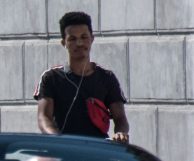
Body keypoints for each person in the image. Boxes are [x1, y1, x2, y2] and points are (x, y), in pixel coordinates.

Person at [36, 11, 128, 143]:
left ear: (92, 39)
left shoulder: (107, 77)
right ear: (64, 43)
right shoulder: (51, 77)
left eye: (84, 37)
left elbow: (120, 117)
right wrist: (56, 140)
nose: (79, 43)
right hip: (64, 152)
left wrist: (120, 133)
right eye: (72, 39)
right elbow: (43, 118)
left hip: (97, 151)